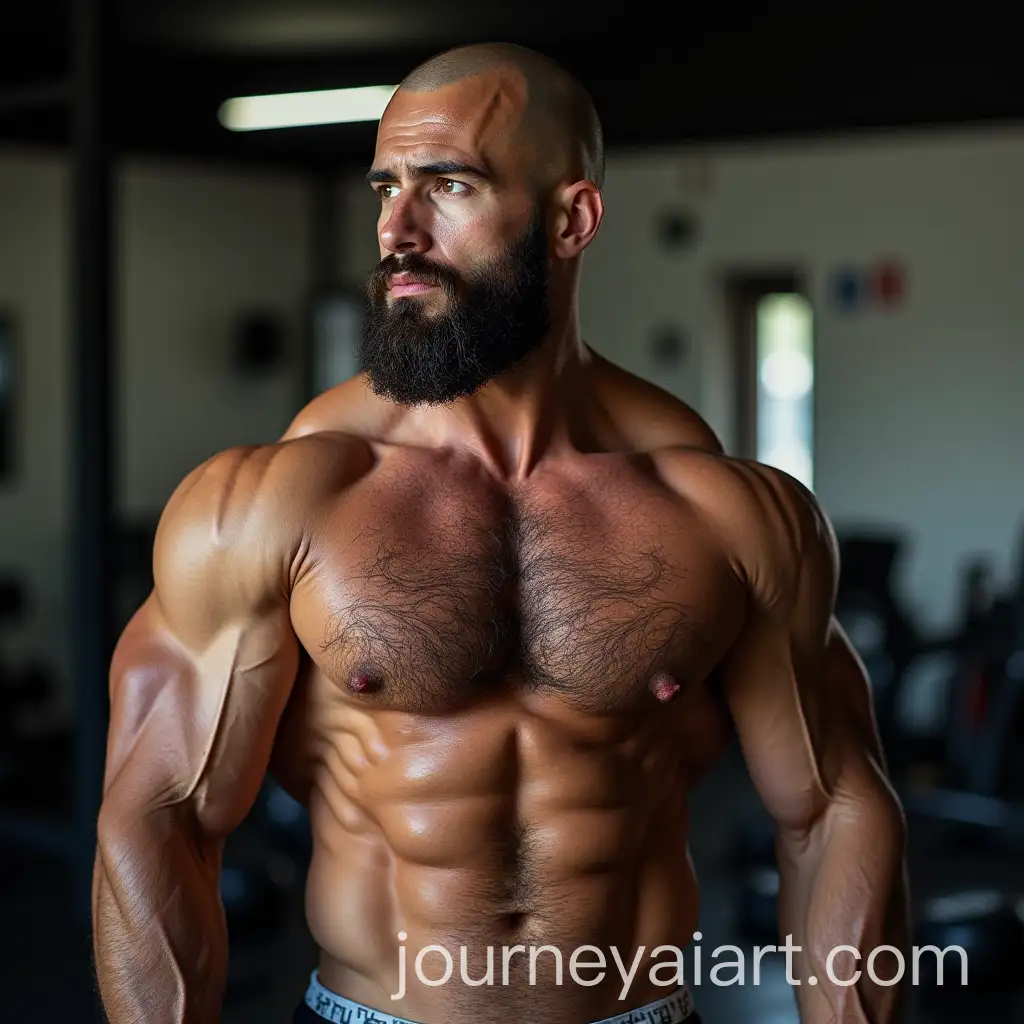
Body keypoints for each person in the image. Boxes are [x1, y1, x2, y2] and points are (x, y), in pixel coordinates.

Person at [92, 42, 909, 1024]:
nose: (397, 226)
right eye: (385, 187)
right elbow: (159, 817)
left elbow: (832, 810)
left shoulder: (725, 512)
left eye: (448, 185)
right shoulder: (278, 500)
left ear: (571, 219)